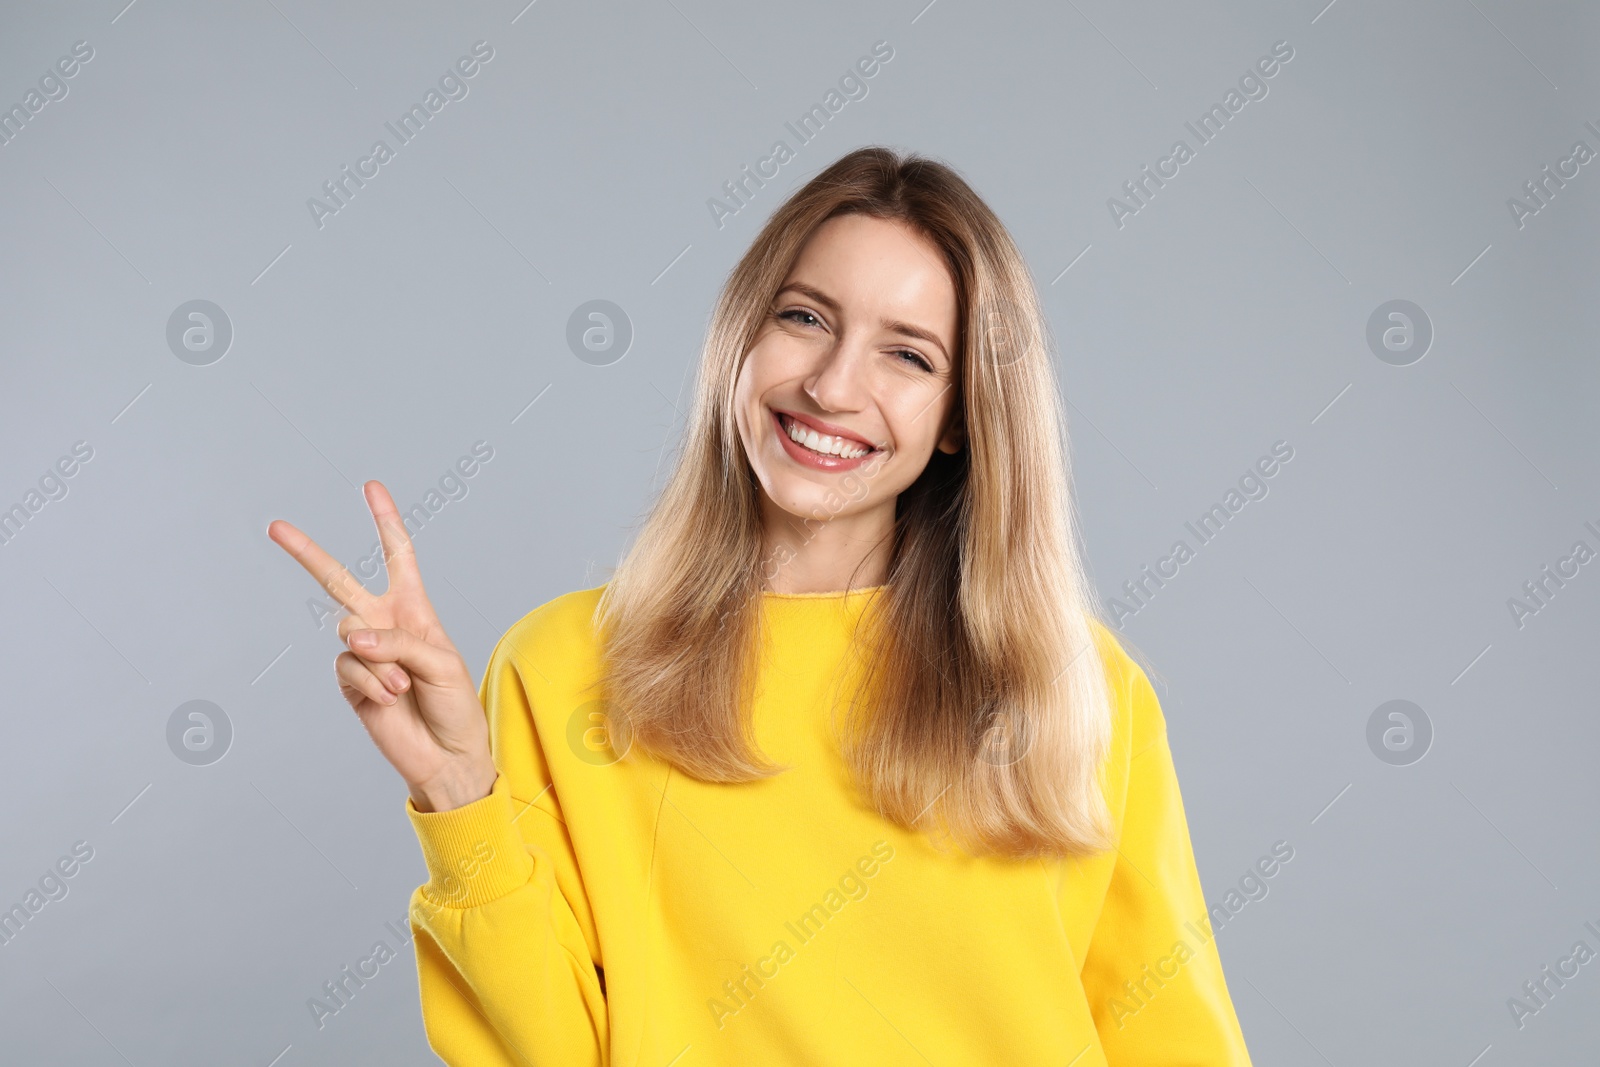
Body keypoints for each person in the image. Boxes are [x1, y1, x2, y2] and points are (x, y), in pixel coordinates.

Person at [268, 146, 1253, 1065]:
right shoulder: (561, 664)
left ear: (960, 415)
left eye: (907, 355)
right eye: (805, 317)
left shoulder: (1078, 688)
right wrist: (457, 789)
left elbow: (1169, 1033)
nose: (831, 385)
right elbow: (555, 1046)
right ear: (739, 334)